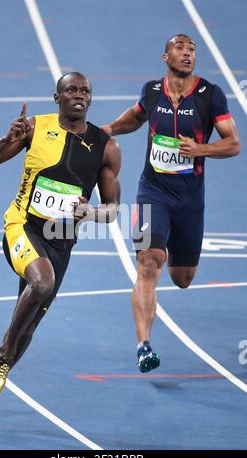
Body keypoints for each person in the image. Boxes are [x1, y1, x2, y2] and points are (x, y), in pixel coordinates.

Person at [0, 72, 121, 421]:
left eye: (85, 90)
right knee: (41, 283)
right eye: (71, 89)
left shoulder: (105, 147)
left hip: (61, 244)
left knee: (30, 326)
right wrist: (7, 139)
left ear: (90, 98)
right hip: (22, 227)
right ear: (58, 98)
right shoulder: (35, 128)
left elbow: (113, 208)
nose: (78, 95)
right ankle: (3, 356)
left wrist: (92, 212)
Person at [102, 34, 240, 373]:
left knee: (182, 278)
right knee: (148, 264)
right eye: (180, 48)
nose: (187, 53)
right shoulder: (152, 91)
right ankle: (143, 345)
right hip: (154, 192)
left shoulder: (211, 96)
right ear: (165, 56)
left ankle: (178, 260)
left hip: (190, 200)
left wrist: (200, 149)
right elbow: (135, 118)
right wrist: (105, 130)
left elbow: (233, 144)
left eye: (192, 49)